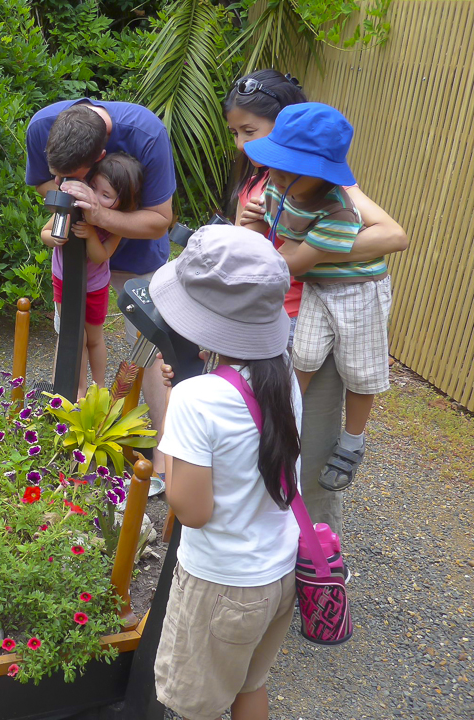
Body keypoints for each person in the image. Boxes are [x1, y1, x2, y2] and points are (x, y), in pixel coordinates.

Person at [223, 69, 408, 535]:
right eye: (237, 134)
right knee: (275, 431)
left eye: (251, 132)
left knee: (315, 441)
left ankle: (322, 558)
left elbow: (392, 236)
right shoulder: (270, 181)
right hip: (268, 318)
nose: (243, 145)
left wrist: (315, 252)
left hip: (319, 305)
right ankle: (271, 531)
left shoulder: (333, 198)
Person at [150, 225, 300, 720]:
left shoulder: (196, 399)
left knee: (189, 706)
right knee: (248, 687)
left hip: (222, 587)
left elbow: (191, 510)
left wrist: (174, 408)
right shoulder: (282, 374)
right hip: (278, 571)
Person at [26, 99, 175, 487]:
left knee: (151, 345)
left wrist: (98, 217)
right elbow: (45, 187)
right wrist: (66, 213)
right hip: (75, 257)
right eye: (59, 175)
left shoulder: (147, 134)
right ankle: (66, 418)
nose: (64, 184)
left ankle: (164, 456)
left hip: (136, 245)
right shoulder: (43, 125)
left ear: (99, 159)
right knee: (70, 332)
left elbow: (160, 221)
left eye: (73, 177)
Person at [243, 102, 391, 493]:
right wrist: (256, 222)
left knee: (360, 372)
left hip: (356, 290)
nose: (276, 172)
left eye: (289, 166)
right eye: (276, 161)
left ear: (318, 171)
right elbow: (280, 232)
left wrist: (243, 257)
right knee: (303, 354)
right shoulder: (277, 181)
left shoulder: (336, 210)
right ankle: (282, 421)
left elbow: (292, 262)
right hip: (318, 286)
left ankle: (353, 441)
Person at [40, 152, 143, 398]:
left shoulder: (116, 223)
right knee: (74, 334)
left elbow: (101, 256)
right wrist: (55, 238)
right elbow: (45, 233)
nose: (95, 198)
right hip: (64, 280)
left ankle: (99, 387)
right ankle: (78, 389)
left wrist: (91, 234)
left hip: (94, 286)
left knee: (94, 338)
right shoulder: (70, 206)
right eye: (94, 187)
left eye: (106, 195)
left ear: (123, 203)